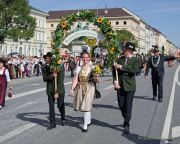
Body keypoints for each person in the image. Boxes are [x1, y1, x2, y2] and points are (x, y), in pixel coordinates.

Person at [113, 42, 139, 134]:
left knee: (128, 105)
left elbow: (134, 70)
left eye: (129, 50)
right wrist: (115, 81)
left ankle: (127, 123)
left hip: (130, 86)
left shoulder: (136, 60)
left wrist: (122, 67)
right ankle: (126, 118)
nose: (127, 51)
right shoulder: (120, 59)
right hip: (120, 86)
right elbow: (114, 70)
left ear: (132, 51)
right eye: (126, 49)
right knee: (121, 105)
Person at [69, 51, 99, 132]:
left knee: (86, 105)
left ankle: (85, 125)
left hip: (90, 87)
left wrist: (96, 77)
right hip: (81, 87)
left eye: (86, 57)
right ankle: (88, 120)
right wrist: (72, 89)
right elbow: (75, 79)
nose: (85, 59)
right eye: (83, 57)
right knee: (85, 105)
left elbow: (97, 81)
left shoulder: (93, 67)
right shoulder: (79, 68)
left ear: (89, 58)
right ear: (81, 58)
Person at [42, 52, 66, 130]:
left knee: (60, 105)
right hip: (50, 89)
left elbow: (61, 79)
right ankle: (52, 123)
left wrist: (57, 92)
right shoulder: (45, 67)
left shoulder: (59, 67)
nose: (46, 59)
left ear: (52, 59)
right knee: (51, 106)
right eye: (46, 58)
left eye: (48, 58)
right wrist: (51, 75)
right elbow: (44, 78)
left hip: (59, 89)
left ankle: (63, 118)